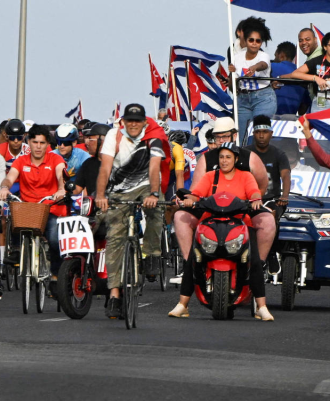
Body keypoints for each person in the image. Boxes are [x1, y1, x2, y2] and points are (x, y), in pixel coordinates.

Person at [169, 143, 274, 321]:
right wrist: (189, 200)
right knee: (193, 259)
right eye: (221, 157)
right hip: (211, 223)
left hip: (240, 223)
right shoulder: (211, 176)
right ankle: (182, 305)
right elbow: (197, 194)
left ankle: (261, 306)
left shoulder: (246, 176)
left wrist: (256, 200)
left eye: (228, 157)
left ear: (236, 159)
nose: (224, 161)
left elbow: (254, 192)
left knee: (254, 260)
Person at [95, 103, 165, 319]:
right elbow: (105, 167)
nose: (133, 125)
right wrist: (100, 195)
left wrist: (153, 194)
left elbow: (154, 167)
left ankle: (152, 253)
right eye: (129, 121)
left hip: (146, 185)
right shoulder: (113, 135)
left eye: (137, 121)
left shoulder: (153, 135)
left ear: (144, 122)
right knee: (115, 237)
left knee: (157, 209)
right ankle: (114, 294)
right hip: (119, 190)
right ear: (123, 121)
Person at [0, 126, 67, 275]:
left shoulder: (56, 158)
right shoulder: (21, 161)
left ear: (48, 144)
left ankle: (56, 275)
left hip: (50, 208)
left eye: (42, 143)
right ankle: (16, 250)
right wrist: (4, 188)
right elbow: (10, 178)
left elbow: (61, 175)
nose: (38, 146)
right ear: (28, 142)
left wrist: (61, 189)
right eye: (35, 142)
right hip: (28, 209)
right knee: (14, 215)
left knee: (55, 240)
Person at [228, 18, 276, 139]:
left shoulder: (263, 55)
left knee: (260, 133)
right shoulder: (236, 57)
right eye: (251, 40)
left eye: (258, 41)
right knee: (243, 137)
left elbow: (263, 64)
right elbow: (233, 84)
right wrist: (231, 76)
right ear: (245, 40)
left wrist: (254, 67)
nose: (254, 43)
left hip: (263, 98)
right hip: (243, 99)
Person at [248, 116, 291, 212]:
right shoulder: (245, 153)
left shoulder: (279, 154)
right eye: (258, 132)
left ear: (271, 134)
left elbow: (285, 175)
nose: (261, 136)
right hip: (248, 200)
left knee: (272, 217)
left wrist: (284, 196)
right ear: (253, 134)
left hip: (272, 201)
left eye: (265, 132)